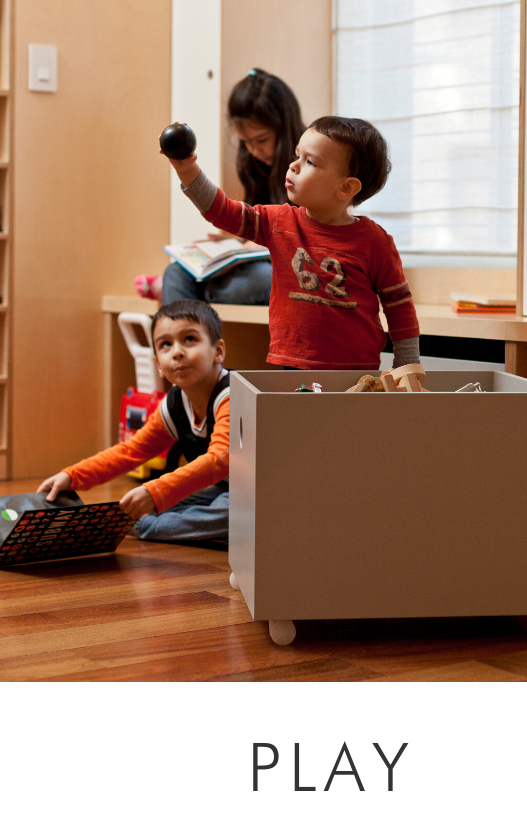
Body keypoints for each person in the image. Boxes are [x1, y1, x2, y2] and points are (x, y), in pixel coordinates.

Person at [163, 115, 421, 370]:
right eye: (297, 155)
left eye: (309, 161)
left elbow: (399, 306)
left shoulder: (375, 242)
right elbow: (222, 211)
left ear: (345, 188)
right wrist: (187, 169)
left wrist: (407, 363)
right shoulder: (278, 221)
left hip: (357, 372)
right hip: (294, 365)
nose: (293, 166)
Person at [37, 299, 231, 543]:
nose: (178, 351)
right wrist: (72, 476)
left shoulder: (231, 396)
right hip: (224, 489)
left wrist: (154, 490)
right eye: (165, 344)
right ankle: (153, 523)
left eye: (190, 339)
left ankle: (146, 527)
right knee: (153, 507)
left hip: (262, 494)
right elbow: (132, 451)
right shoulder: (173, 405)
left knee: (180, 518)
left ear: (219, 351)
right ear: (158, 365)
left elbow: (219, 460)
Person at [136, 68, 305, 305]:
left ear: (284, 127)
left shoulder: (308, 168)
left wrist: (254, 244)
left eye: (262, 140)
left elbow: (309, 237)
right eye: (246, 143)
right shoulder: (255, 167)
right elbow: (245, 219)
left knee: (265, 280)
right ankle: (182, 300)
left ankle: (188, 294)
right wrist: (233, 243)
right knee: (175, 271)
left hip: (286, 267)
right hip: (255, 260)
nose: (255, 151)